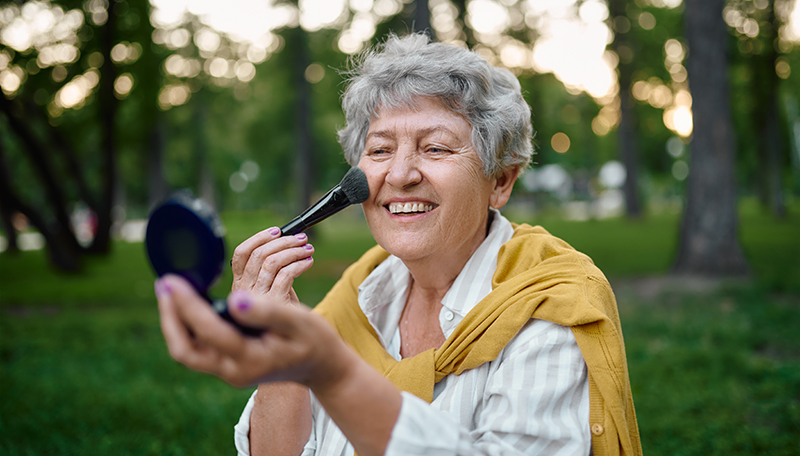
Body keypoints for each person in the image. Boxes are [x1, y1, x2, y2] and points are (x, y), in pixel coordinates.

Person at [155, 33, 642, 456]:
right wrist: (283, 357)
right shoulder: (353, 302)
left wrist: (335, 376)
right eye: (381, 150)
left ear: (501, 181)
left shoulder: (549, 309)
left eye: (435, 148)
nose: (401, 175)